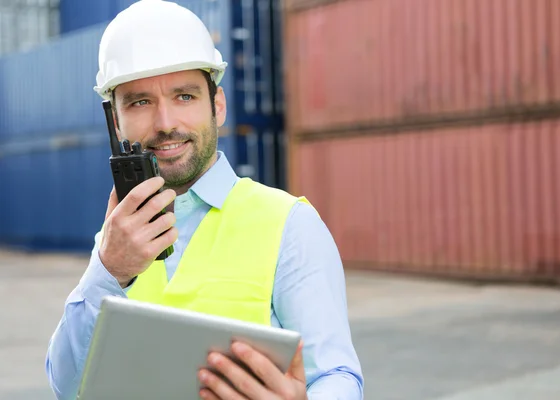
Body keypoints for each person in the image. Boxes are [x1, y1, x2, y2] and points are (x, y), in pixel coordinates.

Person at [45, 0, 363, 399]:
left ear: (218, 105)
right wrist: (108, 270)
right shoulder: (117, 238)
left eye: (184, 97)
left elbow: (336, 376)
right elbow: (65, 386)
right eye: (140, 102)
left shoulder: (290, 225)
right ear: (116, 121)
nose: (165, 124)